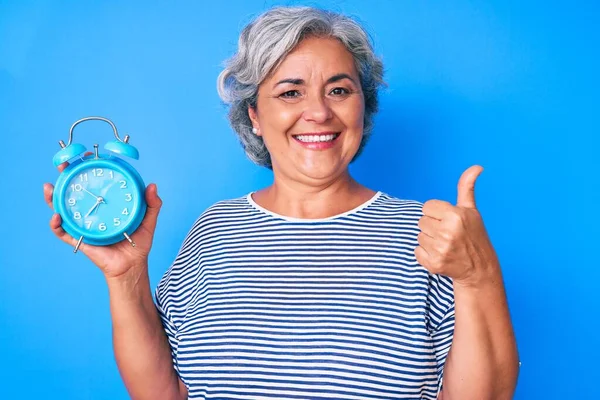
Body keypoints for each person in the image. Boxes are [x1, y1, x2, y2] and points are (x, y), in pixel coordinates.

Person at [43, 6, 519, 400]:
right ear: (254, 114)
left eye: (339, 89)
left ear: (362, 105)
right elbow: (164, 393)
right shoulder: (214, 230)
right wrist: (126, 279)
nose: (318, 111)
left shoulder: (432, 233)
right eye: (290, 92)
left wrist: (480, 273)